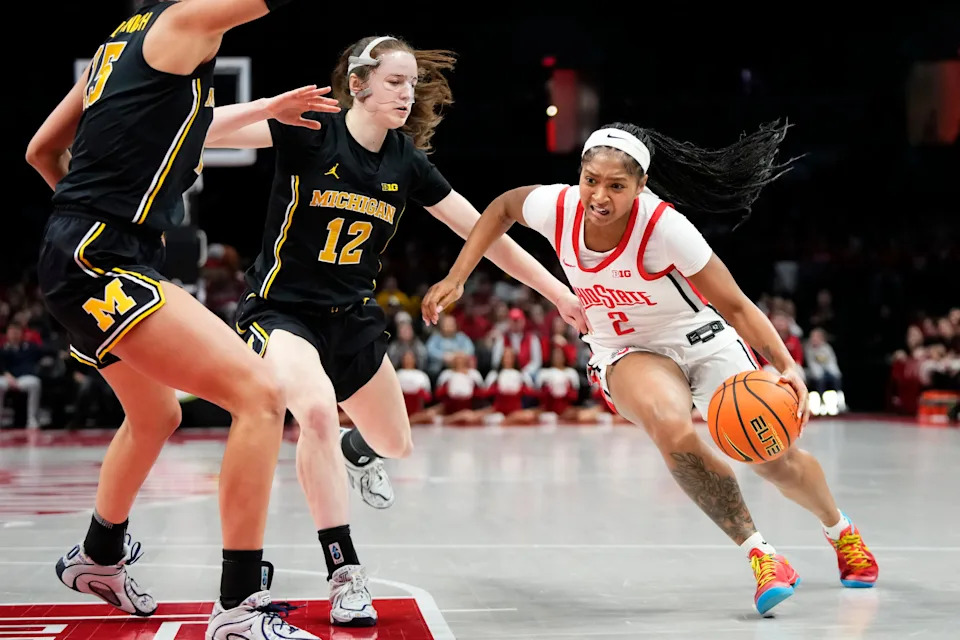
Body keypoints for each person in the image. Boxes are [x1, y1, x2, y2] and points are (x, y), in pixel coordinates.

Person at [203, 35, 587, 626]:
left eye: (412, 83)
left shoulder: (405, 161)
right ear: (358, 84)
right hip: (281, 313)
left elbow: (483, 233)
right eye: (394, 82)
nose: (407, 93)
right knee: (316, 413)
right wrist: (265, 107)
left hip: (352, 319)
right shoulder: (309, 128)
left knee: (396, 442)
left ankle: (361, 453)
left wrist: (558, 291)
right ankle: (345, 573)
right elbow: (200, 130)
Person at [420, 120, 879, 615]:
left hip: (700, 340)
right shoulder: (559, 206)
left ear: (640, 187)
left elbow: (739, 306)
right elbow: (504, 205)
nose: (599, 195)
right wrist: (457, 275)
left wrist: (787, 364)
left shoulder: (665, 228)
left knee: (772, 459)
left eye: (616, 186)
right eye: (591, 179)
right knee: (669, 426)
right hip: (624, 348)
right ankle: (762, 555)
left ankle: (840, 530)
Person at [25, 2, 338, 638]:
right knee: (259, 395)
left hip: (77, 252)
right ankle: (238, 607)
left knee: (156, 415)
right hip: (102, 257)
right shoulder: (184, 22)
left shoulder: (119, 50)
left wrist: (266, 108)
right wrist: (102, 223)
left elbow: (40, 151)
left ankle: (98, 555)